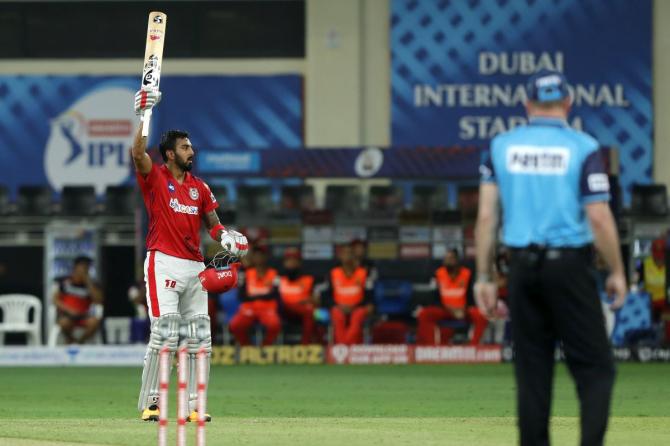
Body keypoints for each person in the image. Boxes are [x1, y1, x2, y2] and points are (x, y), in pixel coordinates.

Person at [474, 70, 626, 446]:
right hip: (569, 266)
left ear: (526, 105)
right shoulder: (584, 147)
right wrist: (618, 270)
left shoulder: (500, 146)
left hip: (522, 268)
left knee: (532, 372)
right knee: (595, 368)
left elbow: (486, 217)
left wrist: (484, 276)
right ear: (568, 103)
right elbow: (599, 216)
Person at [132, 88, 249, 422]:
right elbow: (136, 153)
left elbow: (212, 224)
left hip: (195, 266)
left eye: (190, 146)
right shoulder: (155, 178)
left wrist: (225, 237)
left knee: (200, 338)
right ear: (169, 154)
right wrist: (143, 116)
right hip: (162, 261)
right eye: (185, 147)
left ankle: (195, 407)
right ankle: (152, 402)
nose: (191, 150)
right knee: (165, 334)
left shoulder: (200, 187)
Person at [415, 249, 488, 345]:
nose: (447, 260)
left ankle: (473, 347)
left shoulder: (467, 274)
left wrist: (464, 309)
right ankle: (430, 347)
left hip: (463, 311)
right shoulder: (438, 274)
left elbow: (472, 296)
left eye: (451, 258)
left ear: (457, 260)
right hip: (444, 310)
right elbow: (433, 297)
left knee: (481, 315)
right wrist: (449, 309)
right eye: (446, 258)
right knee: (424, 314)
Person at [321, 244, 374, 345]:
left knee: (358, 316)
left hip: (358, 307)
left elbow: (369, 294)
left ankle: (345, 347)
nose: (347, 256)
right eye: (344, 253)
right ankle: (343, 346)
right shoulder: (333, 273)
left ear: (355, 256)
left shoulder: (364, 273)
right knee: (337, 315)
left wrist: (356, 306)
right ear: (340, 256)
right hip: (338, 307)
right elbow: (326, 295)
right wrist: (337, 306)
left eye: (350, 254)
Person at [229, 245, 281, 346]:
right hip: (249, 307)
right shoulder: (245, 273)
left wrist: (254, 296)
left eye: (261, 255)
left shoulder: (274, 273)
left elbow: (275, 294)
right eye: (256, 255)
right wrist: (262, 295)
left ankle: (265, 347)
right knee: (235, 325)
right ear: (252, 258)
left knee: (275, 325)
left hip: (268, 307)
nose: (259, 258)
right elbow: (241, 295)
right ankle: (247, 348)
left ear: (266, 257)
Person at [52, 255, 103, 344]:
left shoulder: (93, 284)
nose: (85, 269)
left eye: (87, 267)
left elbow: (99, 301)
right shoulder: (64, 281)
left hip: (83, 315)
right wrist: (69, 311)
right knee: (64, 323)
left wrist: (88, 282)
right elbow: (55, 300)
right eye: (83, 267)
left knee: (95, 322)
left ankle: (79, 342)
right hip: (67, 314)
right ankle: (71, 340)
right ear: (75, 267)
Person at [278, 247, 316, 344]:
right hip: (282, 310)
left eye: (294, 260)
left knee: (314, 313)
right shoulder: (278, 278)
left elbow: (315, 298)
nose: (291, 263)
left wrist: (310, 300)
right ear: (284, 263)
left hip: (301, 310)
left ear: (299, 262)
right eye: (288, 260)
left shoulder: (308, 278)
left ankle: (305, 345)